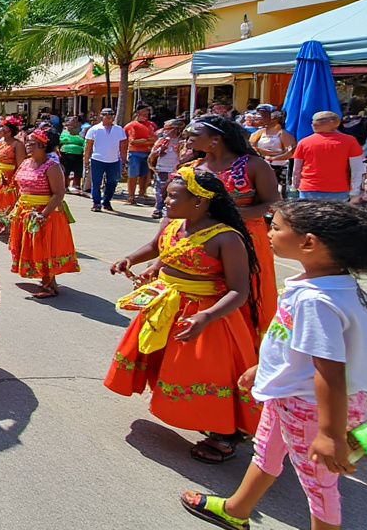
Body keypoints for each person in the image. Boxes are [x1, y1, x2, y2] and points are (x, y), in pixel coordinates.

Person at [180, 200, 367, 530]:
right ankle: (236, 510)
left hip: (312, 407)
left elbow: (330, 370)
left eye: (277, 227)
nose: (269, 232)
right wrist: (263, 369)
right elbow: (296, 346)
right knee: (265, 452)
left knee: (319, 485)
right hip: (291, 395)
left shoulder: (316, 301)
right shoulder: (330, 284)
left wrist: (329, 433)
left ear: (308, 242)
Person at [104, 167, 263, 463]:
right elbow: (157, 248)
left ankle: (226, 435)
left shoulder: (226, 239)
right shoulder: (175, 223)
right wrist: (133, 260)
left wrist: (206, 317)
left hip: (205, 316)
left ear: (200, 201)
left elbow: (238, 291)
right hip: (167, 305)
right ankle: (187, 411)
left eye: (173, 197)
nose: (165, 201)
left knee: (203, 373)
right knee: (165, 363)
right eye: (166, 196)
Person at [184, 114, 280, 333]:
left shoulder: (254, 165)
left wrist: (232, 214)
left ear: (215, 140)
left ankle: (249, 348)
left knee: (249, 291)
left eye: (194, 136)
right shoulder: (193, 168)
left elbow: (272, 204)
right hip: (202, 241)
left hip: (248, 240)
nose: (188, 141)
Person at [7, 130, 78, 299]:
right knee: (31, 247)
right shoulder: (25, 163)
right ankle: (44, 279)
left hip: (44, 213)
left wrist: (43, 215)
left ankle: (50, 285)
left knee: (45, 248)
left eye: (31, 142)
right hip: (25, 211)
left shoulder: (52, 167)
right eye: (27, 142)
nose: (27, 145)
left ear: (43, 145)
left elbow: (59, 193)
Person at [292, 111, 361, 201]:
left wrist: (294, 187)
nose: (312, 124)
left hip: (308, 189)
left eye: (315, 121)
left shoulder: (304, 142)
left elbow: (296, 170)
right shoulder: (350, 141)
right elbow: (357, 168)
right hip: (338, 190)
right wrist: (355, 191)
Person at [85, 107, 128, 212]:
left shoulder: (119, 130)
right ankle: (96, 202)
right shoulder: (94, 129)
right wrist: (86, 159)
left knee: (112, 182)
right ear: (102, 117)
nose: (109, 119)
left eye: (111, 117)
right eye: (106, 116)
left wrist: (124, 160)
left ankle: (107, 201)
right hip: (97, 159)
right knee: (96, 182)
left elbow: (123, 146)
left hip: (113, 160)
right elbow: (88, 146)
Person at [250, 105, 296, 199]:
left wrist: (273, 158)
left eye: (264, 115)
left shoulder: (283, 134)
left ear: (274, 117)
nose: (259, 117)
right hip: (263, 166)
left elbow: (291, 152)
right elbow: (251, 147)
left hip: (280, 168)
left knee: (279, 191)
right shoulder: (259, 133)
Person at [148, 119, 186, 219]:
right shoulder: (162, 141)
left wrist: (179, 150)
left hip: (176, 170)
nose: (165, 131)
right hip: (162, 168)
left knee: (175, 191)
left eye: (168, 129)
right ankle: (159, 208)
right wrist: (158, 152)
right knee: (160, 190)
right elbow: (152, 155)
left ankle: (172, 209)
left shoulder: (183, 143)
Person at [124, 105, 159, 206]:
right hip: (135, 153)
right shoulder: (132, 126)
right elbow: (133, 141)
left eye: (147, 113)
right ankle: (131, 196)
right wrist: (148, 140)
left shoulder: (151, 125)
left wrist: (148, 141)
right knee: (133, 175)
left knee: (145, 174)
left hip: (147, 152)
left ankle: (142, 193)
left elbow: (155, 137)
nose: (146, 115)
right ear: (138, 113)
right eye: (144, 113)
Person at [59, 118, 86, 194]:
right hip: (65, 154)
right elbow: (62, 140)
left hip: (78, 155)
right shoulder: (64, 132)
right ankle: (65, 186)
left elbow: (83, 141)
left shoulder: (81, 132)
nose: (70, 128)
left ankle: (76, 186)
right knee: (65, 171)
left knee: (77, 171)